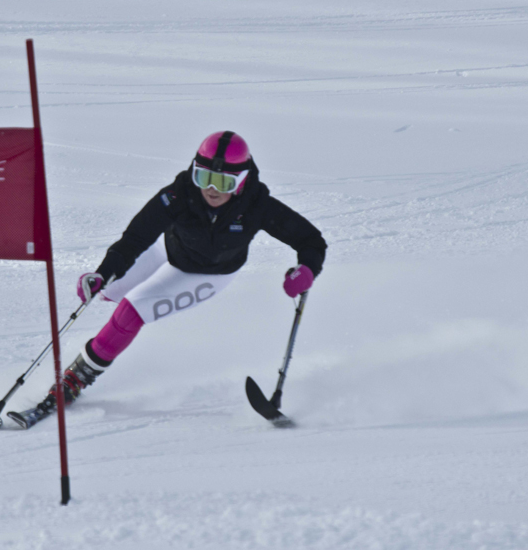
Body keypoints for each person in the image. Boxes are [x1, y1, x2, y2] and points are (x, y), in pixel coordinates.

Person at [43, 131, 327, 409]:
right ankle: (92, 349)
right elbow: (136, 239)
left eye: (224, 182)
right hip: (166, 251)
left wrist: (307, 269)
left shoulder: (258, 205)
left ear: (241, 183)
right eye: (203, 177)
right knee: (106, 292)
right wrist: (102, 274)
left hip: (209, 274)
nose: (212, 189)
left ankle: (74, 379)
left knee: (131, 312)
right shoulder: (178, 195)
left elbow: (312, 241)